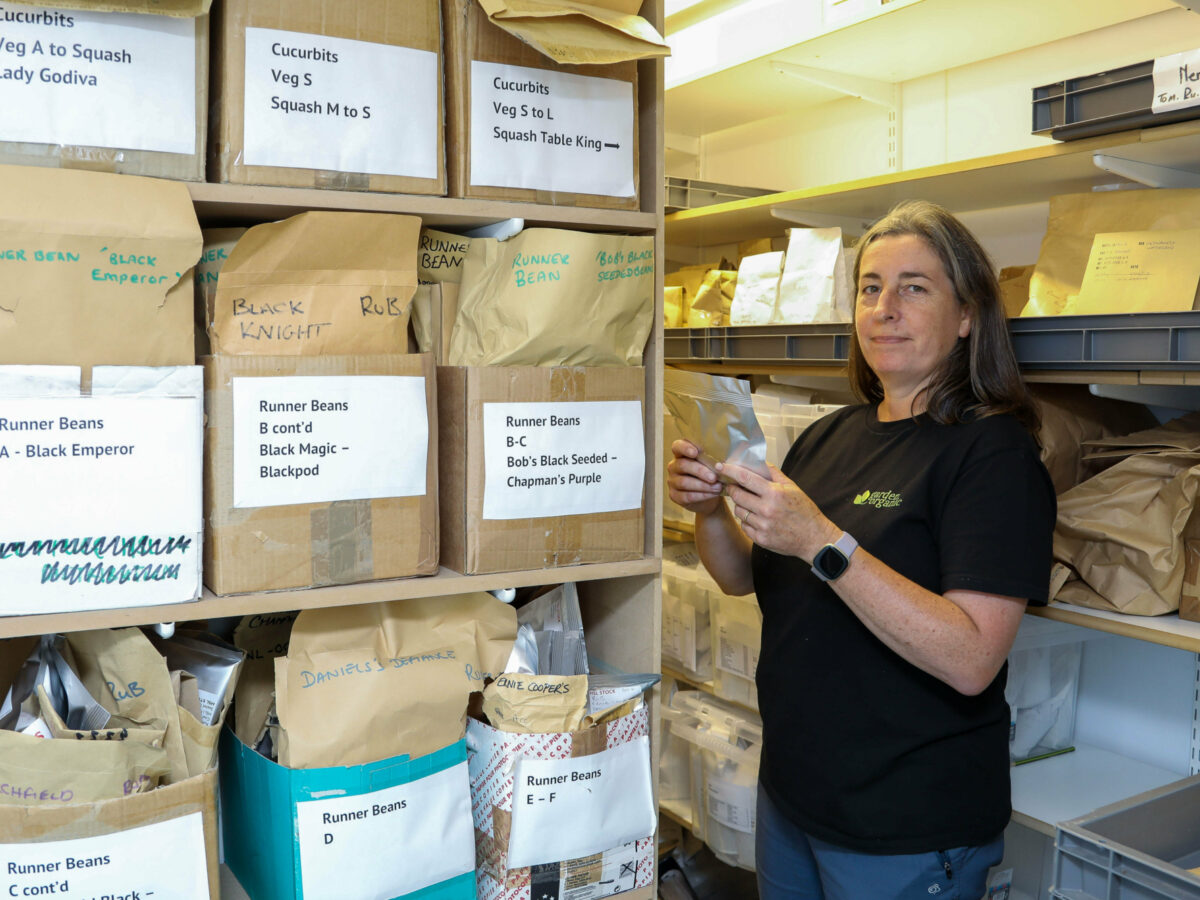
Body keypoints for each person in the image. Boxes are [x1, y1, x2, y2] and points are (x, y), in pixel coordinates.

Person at [667, 199, 1056, 900]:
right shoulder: (830, 436)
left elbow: (971, 658)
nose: (885, 308)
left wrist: (821, 540)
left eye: (915, 287)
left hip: (905, 825)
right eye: (870, 288)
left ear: (967, 316)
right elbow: (741, 578)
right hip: (794, 796)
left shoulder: (993, 455)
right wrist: (710, 511)